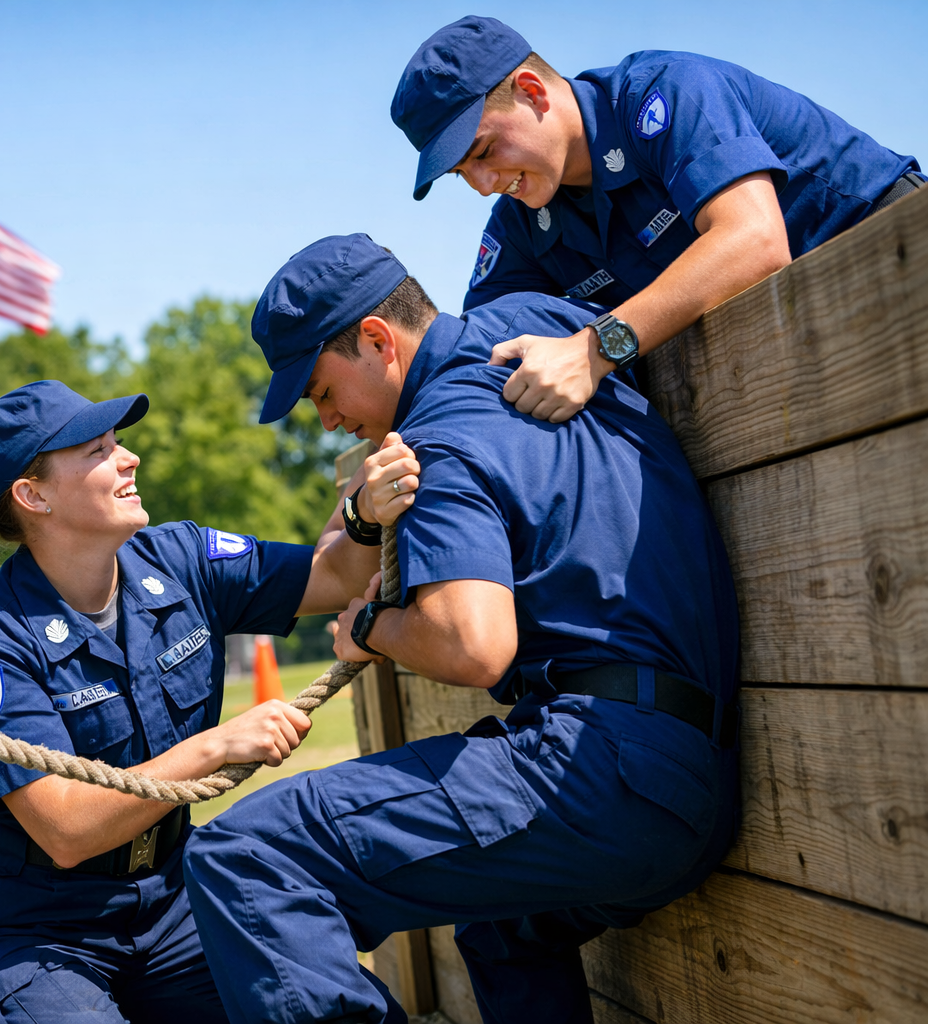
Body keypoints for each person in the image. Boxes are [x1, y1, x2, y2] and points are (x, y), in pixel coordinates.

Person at [181, 233, 741, 1024]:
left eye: (319, 389)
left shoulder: (436, 440)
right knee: (502, 931)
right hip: (692, 777)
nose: (326, 418)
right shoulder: (537, 329)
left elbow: (474, 645)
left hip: (604, 772)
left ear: (378, 340)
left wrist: (373, 625)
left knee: (246, 855)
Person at [0, 380, 419, 1024]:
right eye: (98, 449)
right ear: (32, 494)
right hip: (25, 931)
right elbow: (66, 829)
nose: (128, 458)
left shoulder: (180, 556)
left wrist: (360, 514)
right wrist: (215, 746)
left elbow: (333, 577)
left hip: (169, 900)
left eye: (118, 442)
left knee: (330, 1007)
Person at [390, 16, 923, 423]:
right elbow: (478, 358)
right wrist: (372, 503)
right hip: (785, 367)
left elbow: (755, 241)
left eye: (482, 150)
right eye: (463, 174)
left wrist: (596, 348)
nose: (483, 184)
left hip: (895, 265)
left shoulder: (665, 90)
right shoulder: (519, 226)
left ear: (532, 91)